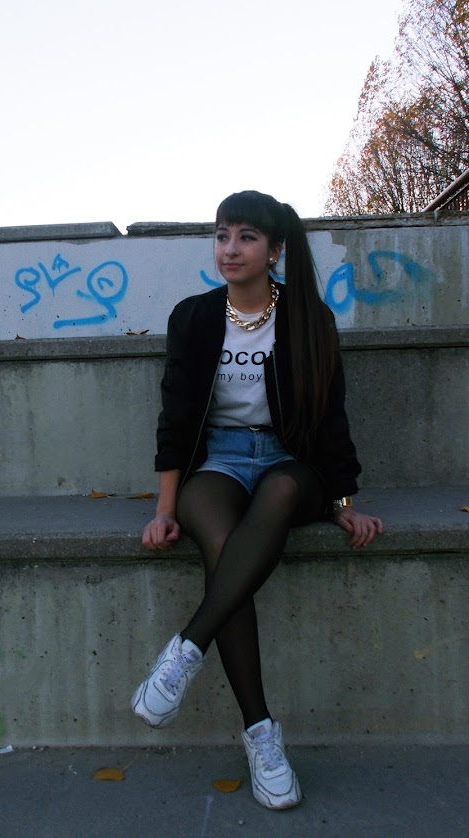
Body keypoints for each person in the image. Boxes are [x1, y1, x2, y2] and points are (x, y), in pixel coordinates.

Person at [131, 190, 383, 810]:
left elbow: (329, 415)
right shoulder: (193, 317)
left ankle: (186, 649)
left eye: (246, 237)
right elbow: (176, 416)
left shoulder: (308, 318)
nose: (230, 249)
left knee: (282, 489)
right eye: (222, 235)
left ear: (274, 250)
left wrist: (343, 501)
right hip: (217, 459)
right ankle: (261, 733)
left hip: (287, 460)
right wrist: (165, 508)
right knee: (223, 545)